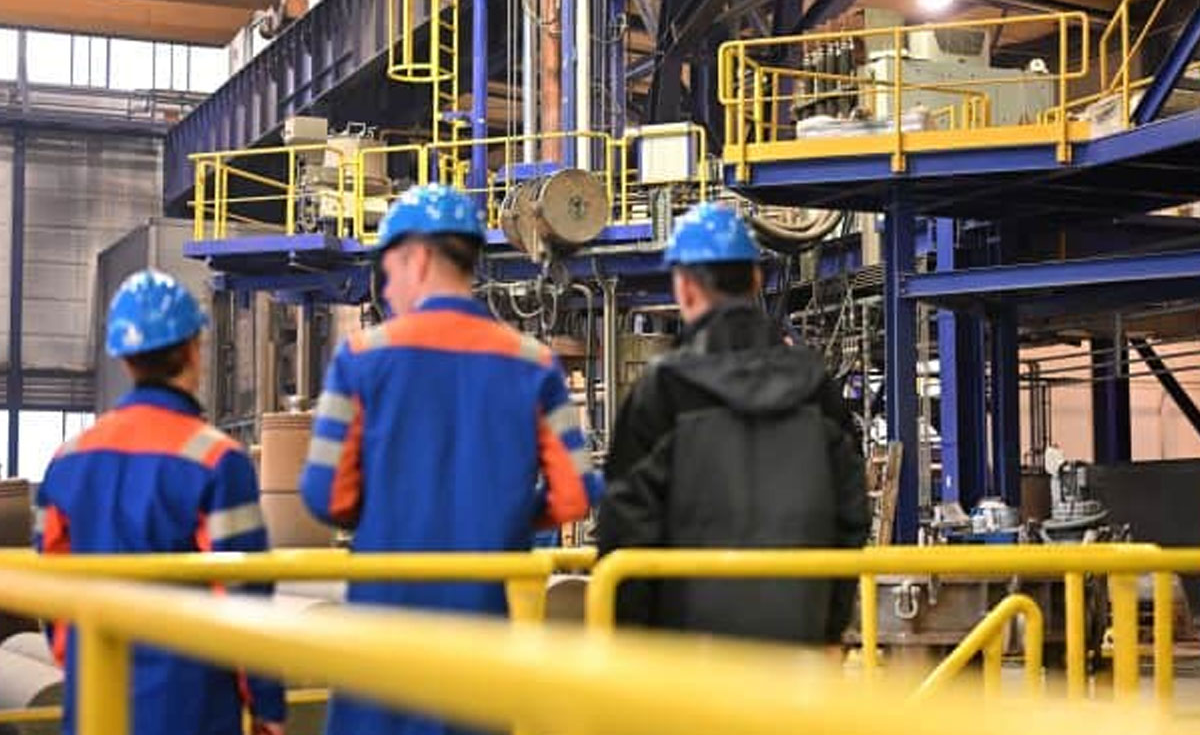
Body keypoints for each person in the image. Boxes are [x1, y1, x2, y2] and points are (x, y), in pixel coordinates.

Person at [300, 184, 592, 735]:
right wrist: (506, 516)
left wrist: (390, 514)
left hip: (382, 629)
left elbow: (324, 494)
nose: (387, 289)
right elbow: (575, 495)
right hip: (482, 635)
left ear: (417, 258)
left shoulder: (359, 359)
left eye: (388, 272)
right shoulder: (534, 364)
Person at [597, 202, 870, 644]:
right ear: (756, 280)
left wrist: (633, 644)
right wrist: (829, 626)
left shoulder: (664, 390)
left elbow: (626, 529)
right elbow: (852, 514)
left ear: (685, 288)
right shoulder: (814, 384)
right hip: (797, 646)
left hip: (687, 659)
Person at [34, 269, 285, 735]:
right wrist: (267, 705)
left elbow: (50, 588)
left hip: (95, 703)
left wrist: (86, 661)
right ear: (193, 350)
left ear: (125, 359)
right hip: (192, 709)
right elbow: (244, 595)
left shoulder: (67, 460)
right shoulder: (217, 460)